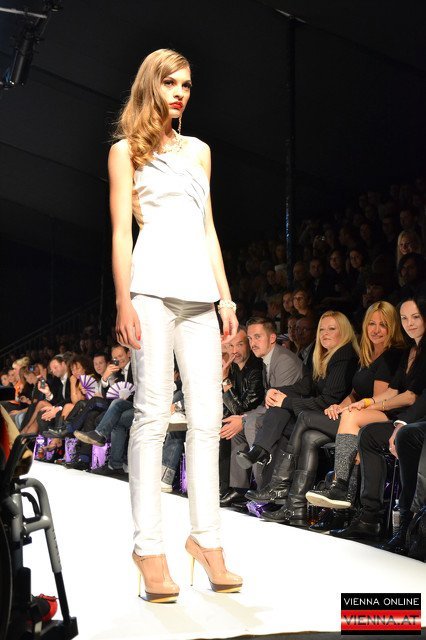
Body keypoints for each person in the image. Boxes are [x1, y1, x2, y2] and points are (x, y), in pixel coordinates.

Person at [109, 48, 241, 602]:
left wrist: (226, 298)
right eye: (170, 83)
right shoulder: (125, 152)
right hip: (152, 292)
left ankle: (207, 541)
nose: (180, 92)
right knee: (153, 416)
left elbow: (208, 229)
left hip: (200, 297)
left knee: (207, 419)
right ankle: (148, 549)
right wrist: (123, 301)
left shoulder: (200, 152)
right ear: (151, 86)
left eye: (186, 84)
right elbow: (121, 232)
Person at [251, 301, 405, 526]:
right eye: (371, 324)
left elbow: (379, 400)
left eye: (383, 325)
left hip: (374, 419)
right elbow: (354, 392)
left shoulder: (390, 355)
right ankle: (295, 506)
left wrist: (349, 408)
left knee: (304, 418)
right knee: (309, 436)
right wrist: (340, 406)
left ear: (392, 326)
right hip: (352, 414)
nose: (376, 330)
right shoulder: (368, 353)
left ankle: (282, 485)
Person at [306, 296, 426, 510]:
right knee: (347, 418)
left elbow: (410, 396)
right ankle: (342, 491)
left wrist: (369, 405)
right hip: (396, 413)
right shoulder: (409, 351)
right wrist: (365, 402)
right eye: (405, 318)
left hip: (408, 417)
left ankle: (342, 488)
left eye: (415, 317)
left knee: (350, 420)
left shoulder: (396, 353)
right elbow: (392, 391)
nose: (410, 323)